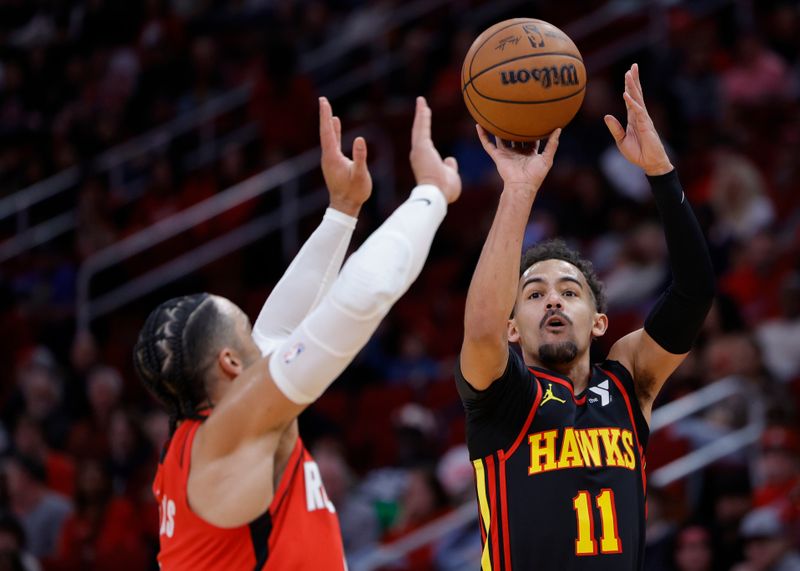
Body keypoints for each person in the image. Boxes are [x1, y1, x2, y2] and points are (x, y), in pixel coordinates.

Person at [133, 95, 461, 570]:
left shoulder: (205, 436)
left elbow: (280, 329)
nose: (259, 333)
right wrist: (432, 192)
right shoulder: (235, 431)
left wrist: (342, 210)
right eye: (244, 328)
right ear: (229, 363)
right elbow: (362, 296)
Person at [457, 63, 715, 570]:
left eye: (569, 291)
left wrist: (661, 174)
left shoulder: (628, 380)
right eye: (533, 295)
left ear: (599, 321)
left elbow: (694, 292)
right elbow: (480, 328)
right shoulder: (502, 396)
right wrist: (519, 191)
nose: (552, 300)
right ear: (513, 329)